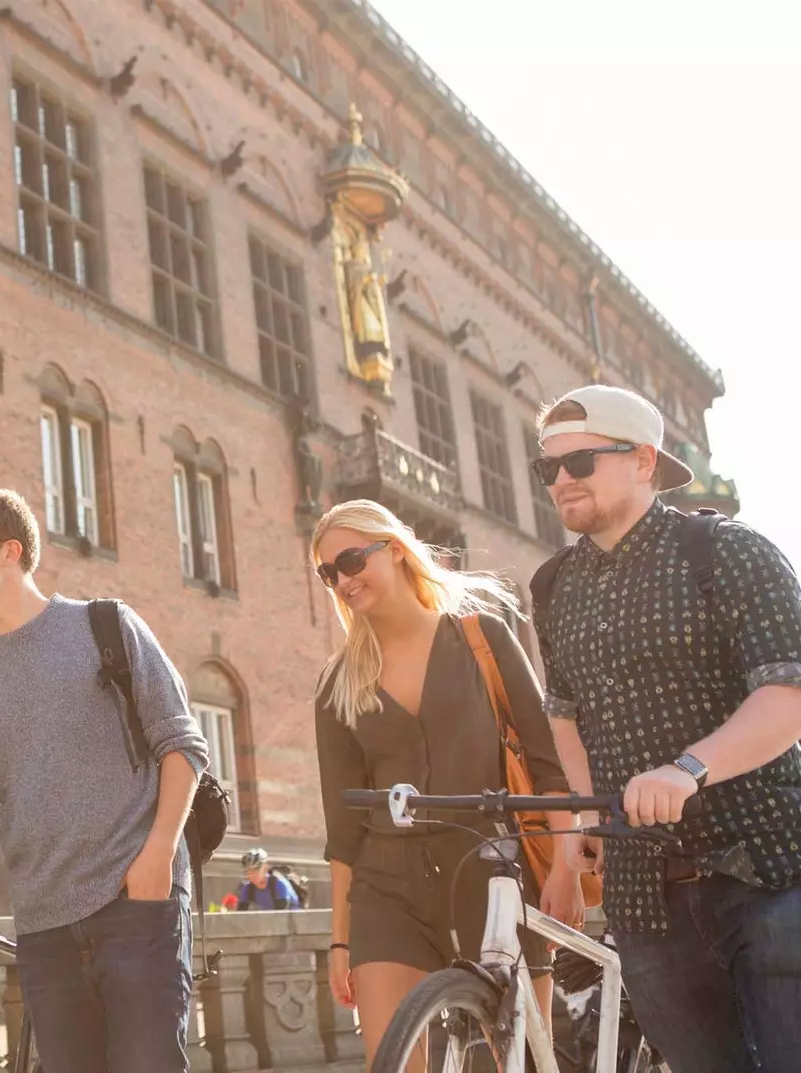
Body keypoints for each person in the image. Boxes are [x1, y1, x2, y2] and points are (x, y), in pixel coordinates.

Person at [0, 488, 209, 1073]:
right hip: (44, 926)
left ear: (9, 551)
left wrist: (158, 855)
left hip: (135, 904)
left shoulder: (106, 627)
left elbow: (182, 745)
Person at [531, 384, 801, 1072]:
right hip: (645, 903)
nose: (561, 479)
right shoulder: (553, 585)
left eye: (581, 461)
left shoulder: (729, 551)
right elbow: (566, 712)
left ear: (644, 461)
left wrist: (688, 768)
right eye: (549, 467)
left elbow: (788, 692)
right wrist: (587, 821)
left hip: (770, 874)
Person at [311, 499, 584, 1070]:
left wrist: (566, 864)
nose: (343, 579)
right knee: (392, 1060)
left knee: (520, 1063)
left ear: (397, 551)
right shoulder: (338, 683)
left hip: (492, 870)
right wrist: (340, 940)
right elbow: (343, 828)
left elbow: (546, 763)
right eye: (327, 572)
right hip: (386, 888)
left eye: (352, 559)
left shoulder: (481, 638)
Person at [234, 849, 303, 911]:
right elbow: (240, 914)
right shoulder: (247, 888)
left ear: (265, 869)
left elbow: (281, 916)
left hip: (294, 920)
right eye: (248, 871)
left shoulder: (279, 885)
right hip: (271, 919)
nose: (252, 875)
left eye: (256, 870)